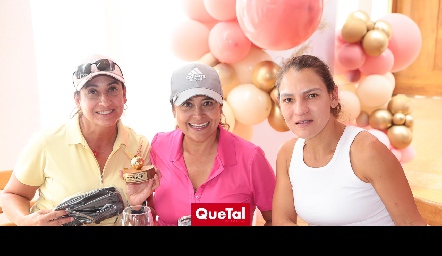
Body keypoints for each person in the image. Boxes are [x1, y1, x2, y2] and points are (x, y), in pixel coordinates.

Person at [0, 54, 159, 226]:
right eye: (92, 92)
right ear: (77, 99)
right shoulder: (46, 143)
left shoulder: (139, 145)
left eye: (112, 89)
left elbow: (146, 213)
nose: (104, 102)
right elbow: (12, 195)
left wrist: (137, 207)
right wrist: (26, 221)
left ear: (124, 94)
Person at [272, 54, 426, 226]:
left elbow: (411, 223)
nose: (299, 110)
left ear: (333, 96)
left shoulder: (367, 152)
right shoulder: (288, 154)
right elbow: (282, 219)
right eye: (288, 100)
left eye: (312, 96)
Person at [127, 62, 276, 226]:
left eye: (207, 103)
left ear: (220, 108)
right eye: (187, 104)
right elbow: (152, 216)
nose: (198, 115)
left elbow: (275, 219)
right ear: (173, 110)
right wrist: (137, 206)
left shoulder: (251, 157)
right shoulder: (159, 146)